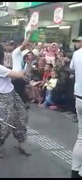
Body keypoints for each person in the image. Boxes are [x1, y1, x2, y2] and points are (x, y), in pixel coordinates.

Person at [0, 43, 30, 157]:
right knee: (5, 125)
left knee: (22, 116)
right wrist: (28, 65)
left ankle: (21, 143)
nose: (5, 54)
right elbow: (17, 75)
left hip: (11, 93)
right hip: (2, 97)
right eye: (3, 51)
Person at [70, 36, 82, 178]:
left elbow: (72, 68)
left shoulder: (77, 53)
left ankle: (75, 172)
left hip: (79, 98)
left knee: (81, 137)